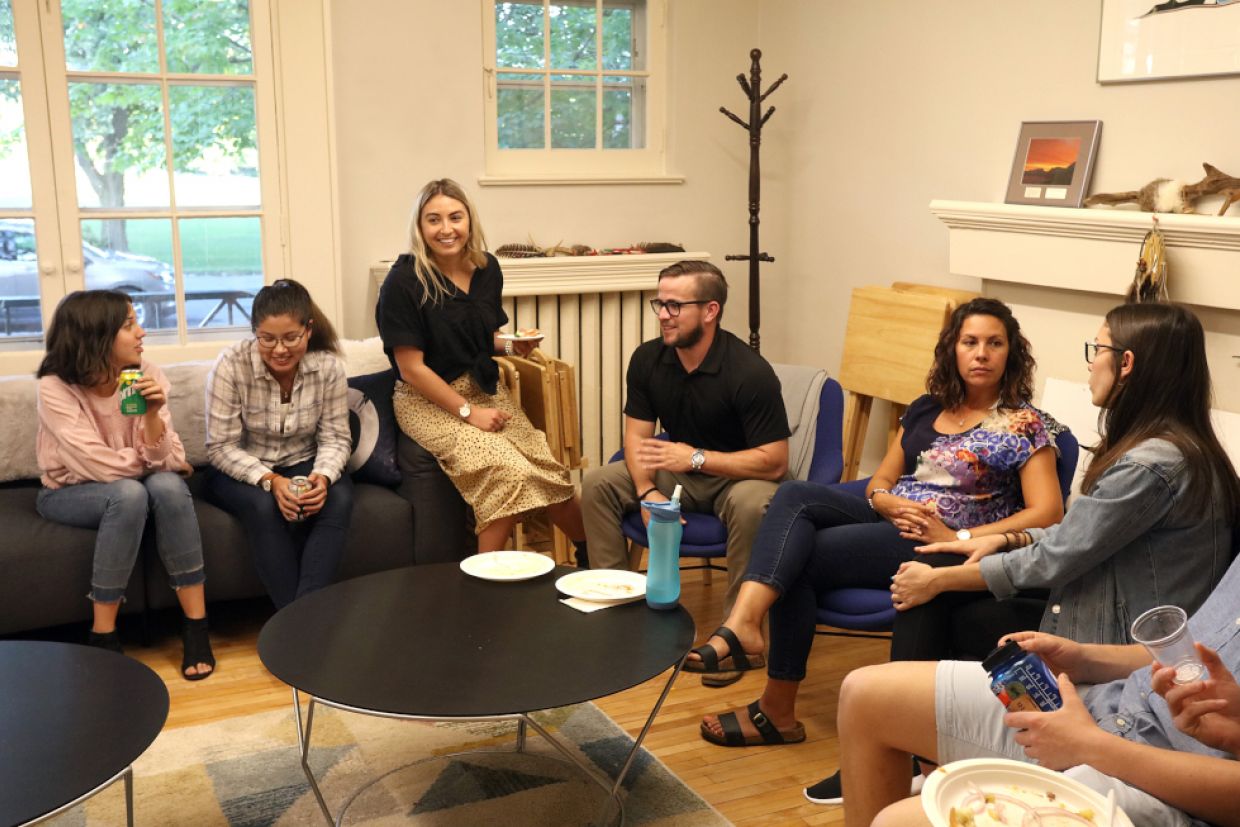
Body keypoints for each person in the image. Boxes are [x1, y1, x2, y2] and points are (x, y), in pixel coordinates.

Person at [695, 298, 1065, 744]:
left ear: (1011, 353)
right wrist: (885, 500)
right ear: (953, 348)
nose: (981, 353)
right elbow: (883, 478)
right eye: (970, 342)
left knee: (800, 557)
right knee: (793, 495)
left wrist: (960, 536)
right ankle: (746, 625)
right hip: (891, 515)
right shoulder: (928, 407)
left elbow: (1048, 512)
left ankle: (774, 703)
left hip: (940, 543)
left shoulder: (1023, 424)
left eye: (994, 343)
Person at [890, 302, 1237, 644]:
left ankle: (902, 697)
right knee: (939, 595)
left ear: (1126, 363)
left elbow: (1059, 556)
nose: (1090, 365)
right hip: (1101, 594)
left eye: (1097, 349)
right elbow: (1078, 536)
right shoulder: (1180, 448)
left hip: (1117, 636)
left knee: (934, 592)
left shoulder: (1149, 466)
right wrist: (1009, 539)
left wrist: (942, 580)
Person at [839, 544, 1240, 827]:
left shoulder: (1155, 463)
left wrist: (1090, 746)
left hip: (1170, 790)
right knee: (865, 694)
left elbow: (1065, 545)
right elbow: (1190, 656)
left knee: (900, 822)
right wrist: (1083, 658)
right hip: (1115, 711)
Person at [581, 259, 791, 684]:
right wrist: (645, 492)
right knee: (598, 482)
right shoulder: (648, 359)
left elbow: (775, 460)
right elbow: (637, 441)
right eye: (659, 303)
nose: (662, 314)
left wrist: (695, 458)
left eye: (675, 306)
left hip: (740, 476)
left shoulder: (749, 372)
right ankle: (617, 609)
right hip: (679, 469)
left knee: (754, 504)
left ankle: (738, 635)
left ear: (710, 311)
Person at [376, 178, 587, 555]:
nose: (446, 229)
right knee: (509, 473)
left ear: (469, 221)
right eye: (433, 220)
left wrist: (512, 345)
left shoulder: (487, 269)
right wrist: (469, 412)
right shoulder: (404, 281)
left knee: (550, 473)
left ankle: (593, 559)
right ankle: (482, 587)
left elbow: (479, 336)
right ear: (420, 228)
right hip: (425, 400)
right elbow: (412, 368)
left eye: (455, 217)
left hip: (483, 387)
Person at [35, 290, 214, 680]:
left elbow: (170, 457)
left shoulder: (146, 373)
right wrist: (156, 463)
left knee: (165, 487)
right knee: (137, 490)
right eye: (129, 324)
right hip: (67, 492)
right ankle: (103, 632)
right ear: (96, 335)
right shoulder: (55, 388)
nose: (142, 332)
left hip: (131, 485)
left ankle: (196, 627)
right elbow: (96, 465)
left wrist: (152, 418)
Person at [204, 279, 354, 609]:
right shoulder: (231, 364)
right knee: (263, 506)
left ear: (309, 330)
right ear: (254, 332)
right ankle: (298, 620)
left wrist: (323, 478)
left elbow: (336, 437)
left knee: (339, 497)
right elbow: (219, 447)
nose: (280, 350)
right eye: (267, 339)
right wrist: (271, 482)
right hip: (239, 467)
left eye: (290, 338)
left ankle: (303, 617)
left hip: (301, 459)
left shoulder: (327, 368)